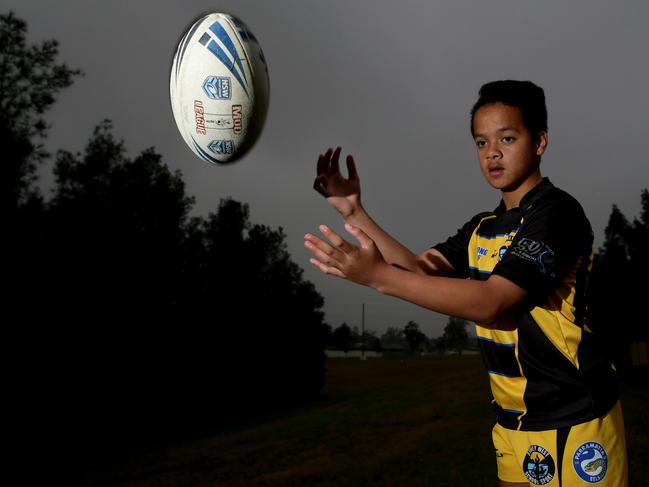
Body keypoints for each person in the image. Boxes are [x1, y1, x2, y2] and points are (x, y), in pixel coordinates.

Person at [304, 80, 627, 486]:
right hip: (513, 424)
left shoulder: (557, 214)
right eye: (481, 142)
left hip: (575, 420)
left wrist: (377, 276)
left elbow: (494, 303)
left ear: (540, 141)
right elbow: (420, 270)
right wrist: (355, 214)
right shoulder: (482, 227)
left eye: (507, 138)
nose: (492, 152)